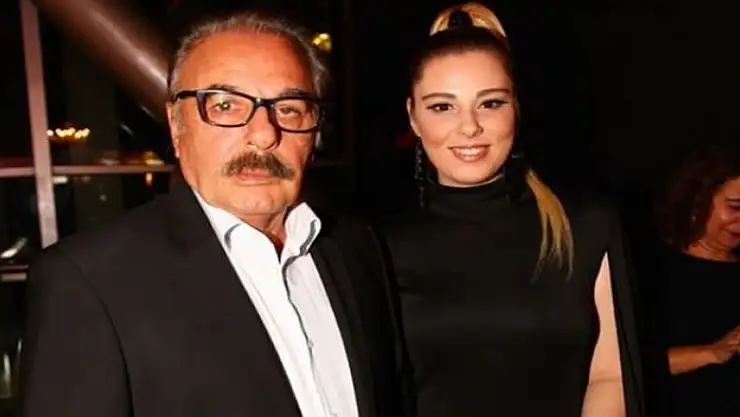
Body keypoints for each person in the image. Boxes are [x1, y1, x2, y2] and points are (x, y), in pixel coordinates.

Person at [19, 9, 409, 417]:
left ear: (314, 131)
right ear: (176, 124)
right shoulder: (90, 280)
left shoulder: (355, 246)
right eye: (225, 105)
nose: (264, 134)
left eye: (289, 108)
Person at [378, 3, 644, 416]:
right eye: (442, 106)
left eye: (490, 103)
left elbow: (609, 376)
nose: (469, 126)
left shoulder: (586, 224)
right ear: (413, 117)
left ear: (516, 108)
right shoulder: (376, 245)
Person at [646, 143, 740, 416]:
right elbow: (627, 365)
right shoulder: (652, 271)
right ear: (697, 201)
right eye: (735, 207)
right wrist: (712, 352)